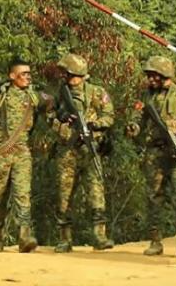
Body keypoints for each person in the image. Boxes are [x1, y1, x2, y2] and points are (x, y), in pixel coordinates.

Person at [0, 59, 53, 253]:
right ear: (12, 75)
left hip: (22, 150)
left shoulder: (32, 95)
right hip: (1, 150)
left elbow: (50, 101)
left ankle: (24, 236)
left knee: (23, 193)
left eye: (29, 73)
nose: (27, 76)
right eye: (23, 73)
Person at [127, 56, 176, 257]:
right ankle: (155, 241)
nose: (150, 79)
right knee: (153, 197)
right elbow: (137, 119)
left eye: (154, 75)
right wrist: (133, 127)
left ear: (164, 74)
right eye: (149, 76)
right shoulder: (146, 97)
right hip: (155, 151)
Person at [51, 53, 114, 253]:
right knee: (64, 194)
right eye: (65, 74)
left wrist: (95, 125)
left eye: (68, 74)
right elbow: (49, 117)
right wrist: (64, 126)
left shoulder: (97, 92)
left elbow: (109, 116)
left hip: (90, 148)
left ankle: (99, 235)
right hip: (68, 150)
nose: (66, 78)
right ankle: (64, 238)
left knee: (96, 191)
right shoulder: (59, 94)